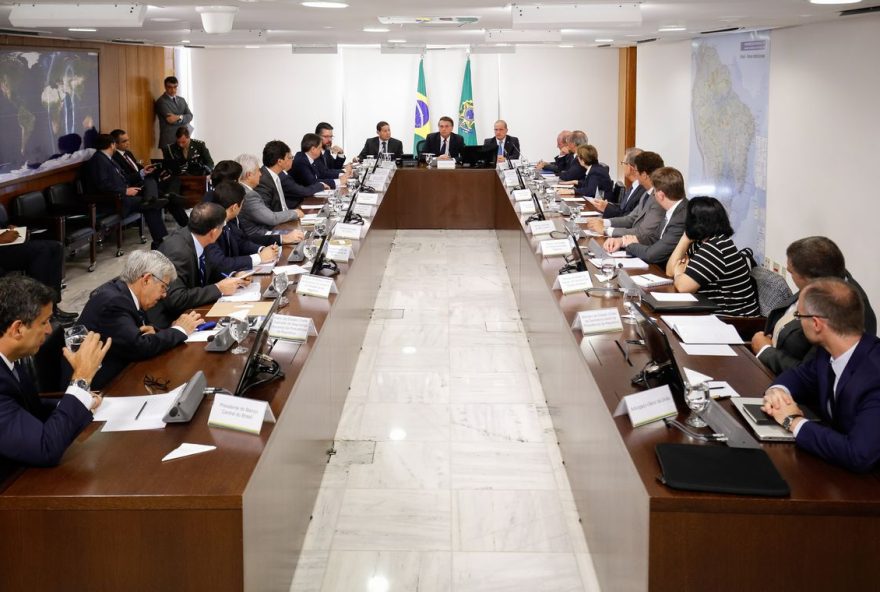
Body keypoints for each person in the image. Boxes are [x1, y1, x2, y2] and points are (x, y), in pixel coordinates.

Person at [762, 278, 880, 473]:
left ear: (816, 324)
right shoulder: (827, 352)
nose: (799, 321)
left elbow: (859, 455)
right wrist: (778, 391)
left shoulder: (874, 375)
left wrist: (793, 421)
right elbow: (800, 377)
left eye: (799, 315)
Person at [0, 275, 110, 467]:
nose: (50, 330)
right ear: (17, 329)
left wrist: (80, 400)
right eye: (44, 322)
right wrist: (81, 380)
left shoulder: (10, 359)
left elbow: (25, 407)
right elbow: (45, 449)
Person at [61, 251, 202, 390]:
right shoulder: (114, 303)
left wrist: (156, 331)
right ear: (146, 279)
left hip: (120, 371)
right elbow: (139, 347)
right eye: (163, 287)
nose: (164, 295)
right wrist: (179, 330)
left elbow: (136, 336)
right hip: (97, 388)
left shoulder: (125, 293)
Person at [751, 237, 876, 375]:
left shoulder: (846, 309)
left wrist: (765, 351)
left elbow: (813, 373)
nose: (788, 272)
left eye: (791, 272)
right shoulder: (824, 280)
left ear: (809, 278)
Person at [148, 203, 246, 328]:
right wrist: (218, 288)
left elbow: (211, 268)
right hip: (167, 323)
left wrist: (235, 276)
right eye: (223, 227)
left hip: (192, 312)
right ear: (214, 232)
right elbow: (176, 298)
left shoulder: (199, 237)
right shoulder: (178, 251)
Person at [664, 196, 759, 316]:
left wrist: (679, 273)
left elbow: (683, 287)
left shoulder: (716, 247)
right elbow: (669, 271)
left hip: (733, 318)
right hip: (712, 310)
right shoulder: (702, 242)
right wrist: (685, 238)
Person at [81, 133, 169, 249]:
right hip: (114, 200)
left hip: (123, 195)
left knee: (149, 181)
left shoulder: (108, 159)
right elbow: (103, 185)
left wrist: (142, 172)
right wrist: (124, 191)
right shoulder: (98, 160)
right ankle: (158, 237)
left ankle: (152, 201)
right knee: (149, 205)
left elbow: (125, 178)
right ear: (112, 145)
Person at [0, 205, 75, 323]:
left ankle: (53, 307)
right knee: (41, 252)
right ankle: (39, 309)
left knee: (56, 247)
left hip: (5, 246)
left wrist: (8, 229)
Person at [604, 166, 688, 266]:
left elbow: (652, 255)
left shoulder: (681, 217)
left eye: (654, 192)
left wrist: (629, 245)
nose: (653, 195)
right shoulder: (673, 209)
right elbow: (654, 238)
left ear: (660, 195)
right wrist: (621, 241)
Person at [110, 128, 188, 227]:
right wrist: (142, 173)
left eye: (128, 140)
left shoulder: (128, 153)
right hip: (138, 187)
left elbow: (140, 169)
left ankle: (171, 195)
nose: (128, 143)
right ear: (115, 144)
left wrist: (156, 172)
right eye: (124, 141)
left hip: (148, 181)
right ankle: (187, 224)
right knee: (170, 199)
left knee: (174, 179)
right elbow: (126, 178)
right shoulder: (114, 158)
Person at [207, 181, 284, 273]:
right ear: (234, 207)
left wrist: (262, 250)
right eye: (242, 204)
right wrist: (259, 258)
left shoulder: (230, 220)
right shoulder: (210, 228)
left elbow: (240, 242)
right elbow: (221, 263)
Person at [586, 151, 665, 242]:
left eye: (636, 171)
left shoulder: (659, 199)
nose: (635, 174)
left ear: (644, 175)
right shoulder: (647, 193)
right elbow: (630, 218)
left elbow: (642, 232)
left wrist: (606, 230)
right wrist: (603, 222)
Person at [236, 153, 305, 242]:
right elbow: (272, 218)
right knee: (300, 237)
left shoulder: (241, 190)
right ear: (249, 175)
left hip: (261, 234)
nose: (260, 174)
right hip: (258, 238)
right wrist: (295, 213)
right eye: (258, 171)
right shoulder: (248, 195)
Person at [258, 140, 325, 211]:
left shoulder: (276, 174)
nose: (292, 160)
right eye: (290, 157)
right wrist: (293, 214)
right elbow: (266, 214)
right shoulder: (264, 180)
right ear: (280, 161)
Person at [592, 147, 644, 219]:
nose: (622, 166)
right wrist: (607, 205)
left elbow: (629, 217)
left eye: (623, 163)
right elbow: (623, 208)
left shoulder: (643, 190)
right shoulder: (634, 185)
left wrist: (606, 208)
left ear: (630, 167)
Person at [155, 75, 193, 149]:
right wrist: (184, 118)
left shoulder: (182, 100)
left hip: (184, 139)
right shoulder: (161, 101)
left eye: (175, 87)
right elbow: (171, 120)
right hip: (169, 141)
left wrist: (179, 117)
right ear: (165, 87)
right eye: (170, 87)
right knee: (171, 161)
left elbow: (190, 116)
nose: (173, 90)